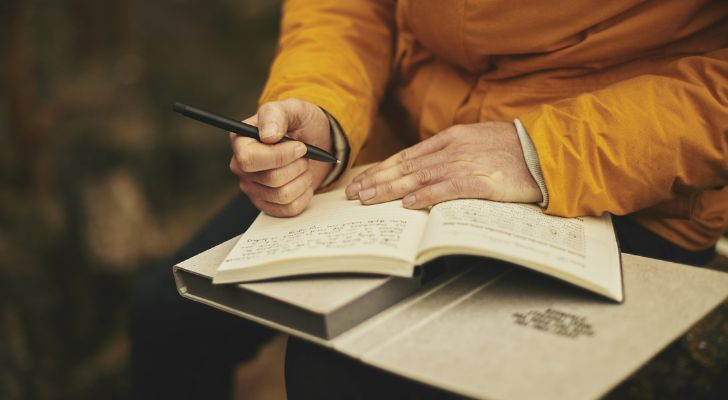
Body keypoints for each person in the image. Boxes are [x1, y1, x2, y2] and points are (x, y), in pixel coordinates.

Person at [131, 0, 728, 398]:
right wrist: (323, 105)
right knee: (169, 313)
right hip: (395, 149)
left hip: (623, 180)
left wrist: (550, 150)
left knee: (339, 377)